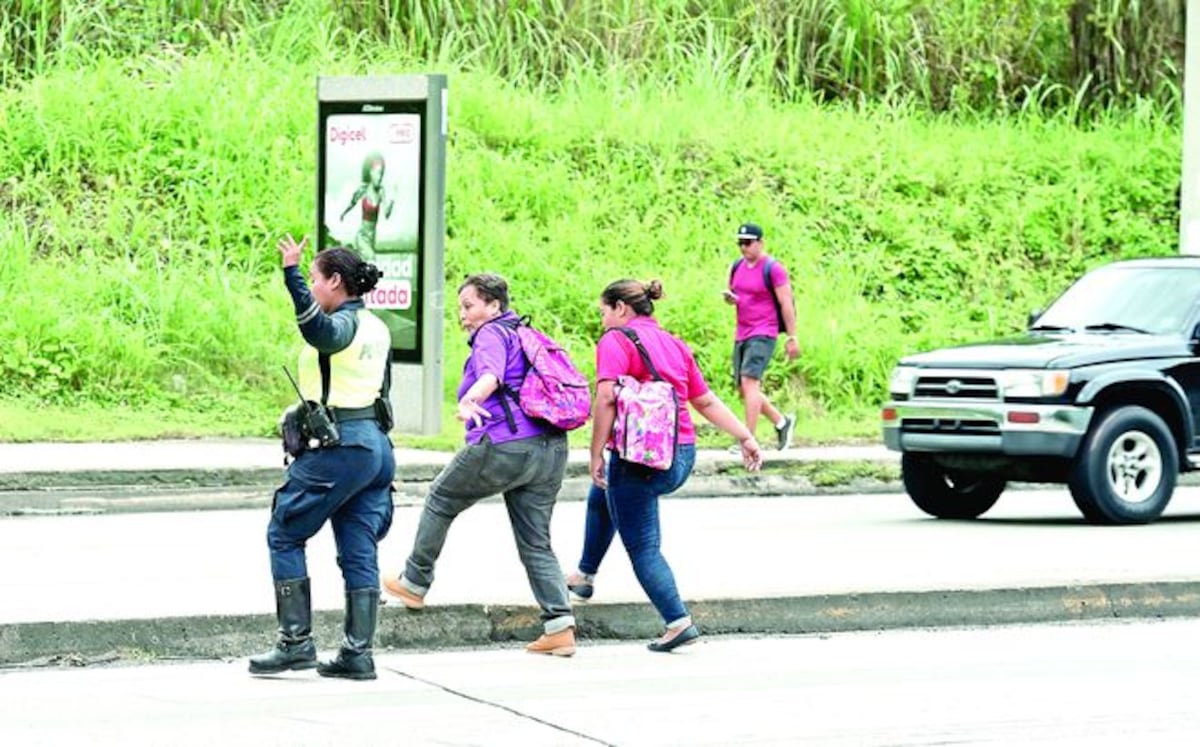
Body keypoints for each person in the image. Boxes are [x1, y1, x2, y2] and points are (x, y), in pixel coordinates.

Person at [382, 273, 578, 656]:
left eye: (469, 306)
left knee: (440, 498)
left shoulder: (492, 333)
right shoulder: (523, 332)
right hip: (551, 448)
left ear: (493, 306)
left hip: (507, 443)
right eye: (460, 308)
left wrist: (471, 399)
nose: (463, 315)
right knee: (536, 541)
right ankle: (560, 626)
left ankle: (414, 582)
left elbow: (491, 374)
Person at [565, 279, 763, 653]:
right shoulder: (674, 343)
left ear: (621, 309)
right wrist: (745, 436)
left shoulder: (616, 340)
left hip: (639, 459)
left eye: (604, 312)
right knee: (602, 493)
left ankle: (677, 621)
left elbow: (606, 397)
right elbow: (704, 402)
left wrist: (595, 454)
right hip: (681, 455)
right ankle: (583, 575)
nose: (603, 320)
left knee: (643, 546)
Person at [249, 236, 396, 681]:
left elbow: (321, 334)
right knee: (357, 547)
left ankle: (296, 643)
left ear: (335, 281)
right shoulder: (378, 327)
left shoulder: (345, 326)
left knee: (284, 533)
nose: (312, 287)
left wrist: (290, 273)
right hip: (374, 447)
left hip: (340, 448)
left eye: (315, 280)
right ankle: (357, 653)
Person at [724, 222, 800, 450]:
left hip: (764, 332)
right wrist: (731, 299)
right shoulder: (737, 266)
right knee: (743, 388)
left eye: (748, 243)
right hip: (742, 331)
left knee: (749, 383)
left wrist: (792, 336)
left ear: (760, 243)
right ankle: (781, 421)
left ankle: (748, 440)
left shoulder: (773, 269)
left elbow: (786, 302)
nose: (743, 248)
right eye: (740, 243)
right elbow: (738, 294)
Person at [338, 152, 394, 261]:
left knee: (365, 267)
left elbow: (386, 214)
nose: (380, 177)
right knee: (372, 259)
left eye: (381, 173)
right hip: (362, 236)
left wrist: (392, 200)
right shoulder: (363, 190)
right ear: (370, 173)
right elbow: (352, 203)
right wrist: (343, 214)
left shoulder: (381, 191)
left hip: (372, 238)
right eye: (378, 173)